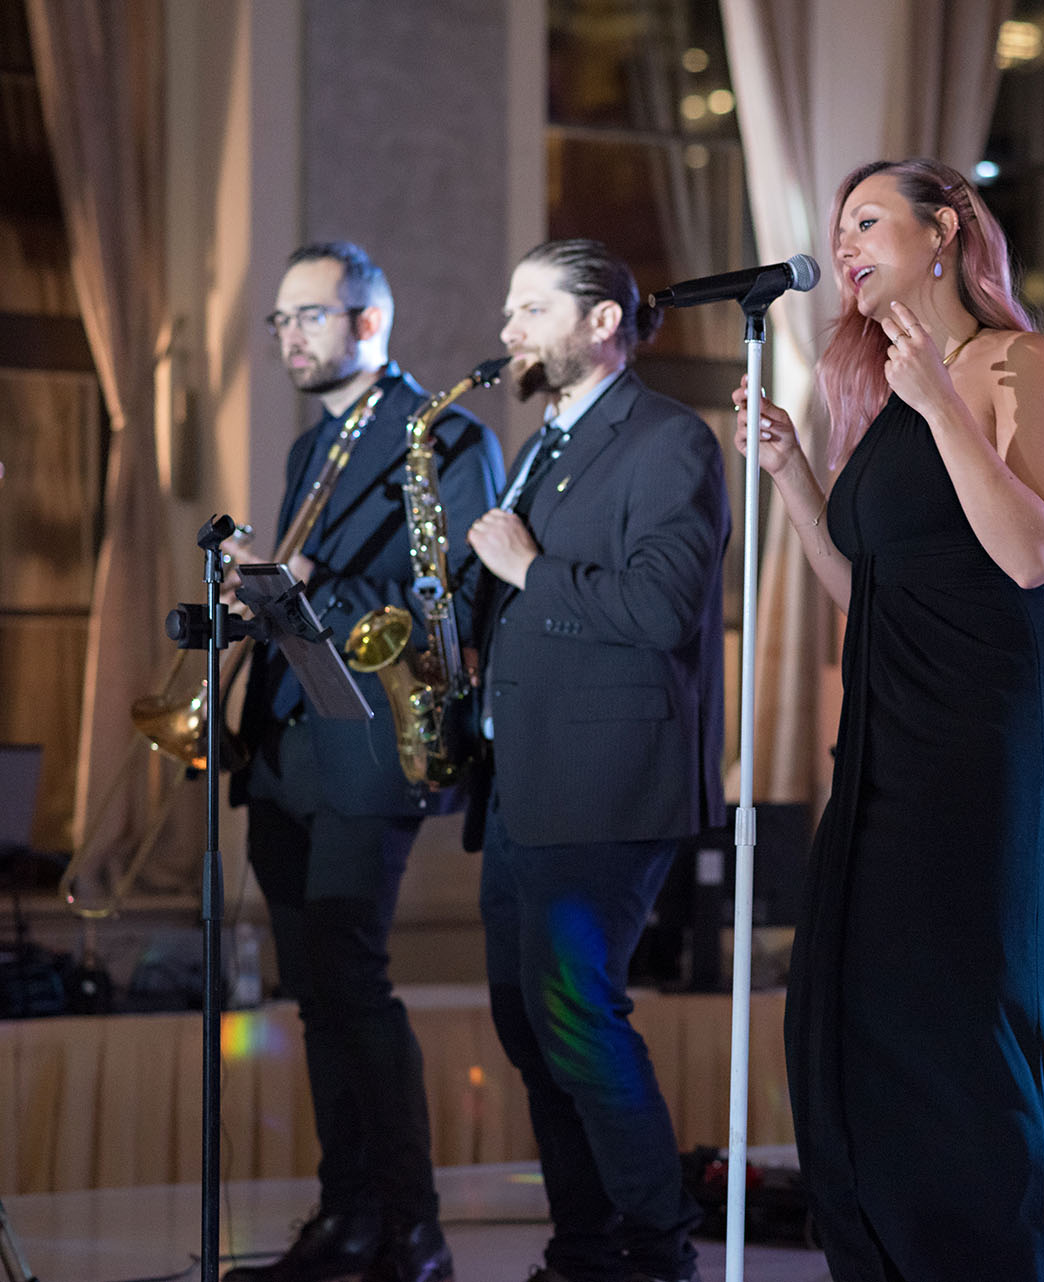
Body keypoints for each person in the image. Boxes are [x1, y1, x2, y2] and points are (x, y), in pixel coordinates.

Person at [733, 158, 1044, 1281]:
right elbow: (865, 591)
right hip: (888, 732)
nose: (846, 243)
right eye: (839, 229)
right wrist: (794, 477)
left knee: (957, 1034)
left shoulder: (1016, 363)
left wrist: (941, 405)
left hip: (985, 740)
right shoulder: (882, 394)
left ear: (946, 231)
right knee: (850, 1018)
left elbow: (1031, 553)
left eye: (869, 220)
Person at [224, 241, 504, 1282]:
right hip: (289, 743)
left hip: (370, 746)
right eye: (281, 320)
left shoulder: (448, 437)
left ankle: (412, 1226)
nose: (288, 336)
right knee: (317, 992)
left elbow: (451, 604)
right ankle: (346, 1216)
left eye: (307, 316)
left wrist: (306, 583)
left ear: (368, 322)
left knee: (353, 979)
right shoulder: (313, 446)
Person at [468, 238, 728, 1282]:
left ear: (602, 322)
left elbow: (662, 610)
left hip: (610, 784)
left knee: (579, 1021)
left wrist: (527, 568)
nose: (509, 330)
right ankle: (583, 1249)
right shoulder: (549, 438)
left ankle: (658, 1252)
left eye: (531, 308)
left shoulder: (669, 442)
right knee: (531, 1031)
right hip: (524, 783)